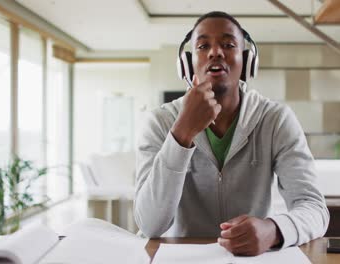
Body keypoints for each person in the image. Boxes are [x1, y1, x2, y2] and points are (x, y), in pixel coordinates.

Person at [134, 11, 329, 256]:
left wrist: (274, 230)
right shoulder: (160, 123)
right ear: (187, 63)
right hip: (182, 258)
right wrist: (182, 133)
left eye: (228, 44)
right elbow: (149, 224)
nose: (215, 52)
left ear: (247, 61)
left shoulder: (276, 119)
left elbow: (314, 208)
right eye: (203, 46)